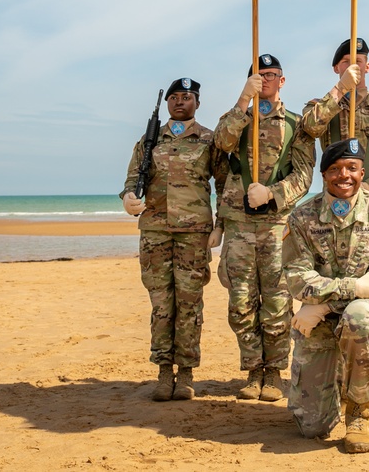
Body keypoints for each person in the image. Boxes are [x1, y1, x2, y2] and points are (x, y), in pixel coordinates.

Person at [282, 138, 369, 453]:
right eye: (335, 169)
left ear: (363, 172)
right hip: (317, 321)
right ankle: (334, 383)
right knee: (312, 427)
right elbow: (297, 279)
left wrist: (322, 302)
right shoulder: (302, 217)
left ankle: (358, 415)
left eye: (352, 168)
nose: (344, 175)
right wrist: (340, 295)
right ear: (324, 174)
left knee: (360, 317)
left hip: (358, 314)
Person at [213, 54, 316, 402]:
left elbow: (303, 175)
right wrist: (244, 100)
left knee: (276, 299)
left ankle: (273, 372)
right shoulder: (237, 117)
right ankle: (253, 369)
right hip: (238, 223)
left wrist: (273, 193)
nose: (266, 80)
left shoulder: (294, 124)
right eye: (259, 75)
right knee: (240, 300)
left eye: (272, 75)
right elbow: (222, 144)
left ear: (282, 81)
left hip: (276, 222)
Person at [120, 77, 228, 401]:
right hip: (154, 231)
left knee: (190, 305)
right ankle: (164, 372)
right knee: (161, 305)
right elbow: (131, 178)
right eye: (175, 97)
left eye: (187, 96)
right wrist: (127, 198)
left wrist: (220, 225)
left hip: (194, 234)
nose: (180, 101)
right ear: (167, 103)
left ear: (197, 102)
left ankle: (187, 374)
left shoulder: (209, 140)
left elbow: (223, 185)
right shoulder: (150, 140)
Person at [300, 38, 369, 201]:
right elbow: (311, 127)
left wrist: (368, 188)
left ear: (368, 66)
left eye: (357, 61)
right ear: (336, 68)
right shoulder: (319, 107)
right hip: (333, 198)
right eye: (346, 62)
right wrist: (340, 88)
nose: (352, 67)